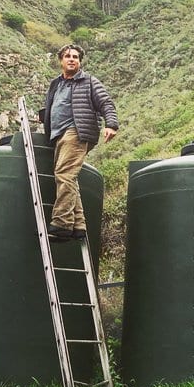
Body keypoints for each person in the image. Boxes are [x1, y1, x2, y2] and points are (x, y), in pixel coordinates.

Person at [41, 44, 118, 240]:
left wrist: (111, 125)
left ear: (80, 61)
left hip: (77, 131)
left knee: (64, 174)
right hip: (58, 134)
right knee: (69, 177)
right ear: (61, 60)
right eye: (67, 56)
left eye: (75, 56)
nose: (72, 59)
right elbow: (53, 107)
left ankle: (61, 223)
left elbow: (106, 103)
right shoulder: (55, 84)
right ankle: (78, 225)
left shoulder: (89, 81)